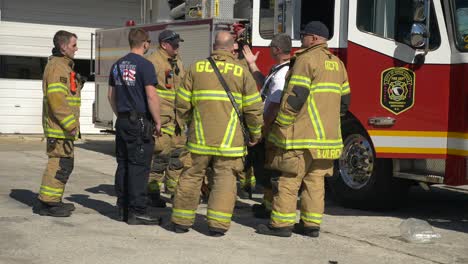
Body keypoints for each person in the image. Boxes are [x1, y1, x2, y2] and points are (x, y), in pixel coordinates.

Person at [257, 21, 351, 237]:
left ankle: (281, 225)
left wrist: (281, 122)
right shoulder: (337, 64)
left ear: (315, 39)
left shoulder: (305, 60)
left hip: (301, 135)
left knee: (289, 179)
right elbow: (345, 101)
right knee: (315, 182)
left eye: (305, 36)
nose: (301, 40)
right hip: (327, 139)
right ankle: (310, 225)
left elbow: (295, 96)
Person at [171, 31, 263, 236]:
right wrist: (255, 134)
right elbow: (253, 109)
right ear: (232, 48)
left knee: (191, 177)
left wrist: (183, 126)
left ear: (214, 46)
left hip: (198, 140)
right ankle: (217, 226)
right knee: (225, 180)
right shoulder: (242, 72)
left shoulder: (196, 68)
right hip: (230, 143)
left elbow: (182, 103)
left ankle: (181, 221)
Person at [108, 28, 162, 225]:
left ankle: (122, 208)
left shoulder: (117, 65)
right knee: (139, 167)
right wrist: (157, 121)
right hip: (139, 122)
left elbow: (110, 96)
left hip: (122, 121)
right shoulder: (145, 65)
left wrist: (121, 115)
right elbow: (151, 95)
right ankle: (138, 211)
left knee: (123, 164)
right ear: (145, 43)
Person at [242, 33, 291, 218]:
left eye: (271, 47)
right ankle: (266, 204)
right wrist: (252, 64)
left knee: (268, 169)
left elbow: (274, 105)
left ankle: (270, 207)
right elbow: (265, 85)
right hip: (270, 128)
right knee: (265, 168)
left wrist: (261, 130)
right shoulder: (279, 70)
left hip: (271, 130)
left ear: (277, 50)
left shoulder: (282, 75)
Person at [34, 30, 82, 217]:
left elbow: (65, 94)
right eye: (73, 45)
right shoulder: (57, 68)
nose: (76, 49)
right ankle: (49, 203)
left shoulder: (63, 66)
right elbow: (56, 98)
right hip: (60, 128)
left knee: (62, 164)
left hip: (62, 128)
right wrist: (70, 123)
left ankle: (50, 200)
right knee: (60, 164)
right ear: (63, 47)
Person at [146, 30, 186, 205]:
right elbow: (148, 91)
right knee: (160, 156)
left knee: (178, 156)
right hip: (162, 119)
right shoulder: (153, 62)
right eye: (174, 44)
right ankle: (152, 192)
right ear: (164, 44)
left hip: (177, 119)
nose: (177, 47)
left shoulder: (178, 62)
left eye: (178, 44)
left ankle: (174, 190)